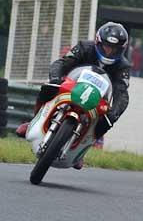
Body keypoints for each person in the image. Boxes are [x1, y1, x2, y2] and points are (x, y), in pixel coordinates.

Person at [15, 22, 131, 168]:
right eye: (106, 46)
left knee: (106, 121)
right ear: (98, 41)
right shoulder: (84, 47)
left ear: (122, 49)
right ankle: (33, 122)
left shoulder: (123, 67)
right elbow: (61, 63)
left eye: (114, 49)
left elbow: (122, 93)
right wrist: (56, 79)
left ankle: (81, 150)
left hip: (98, 99)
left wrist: (114, 113)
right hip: (72, 85)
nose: (109, 51)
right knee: (48, 89)